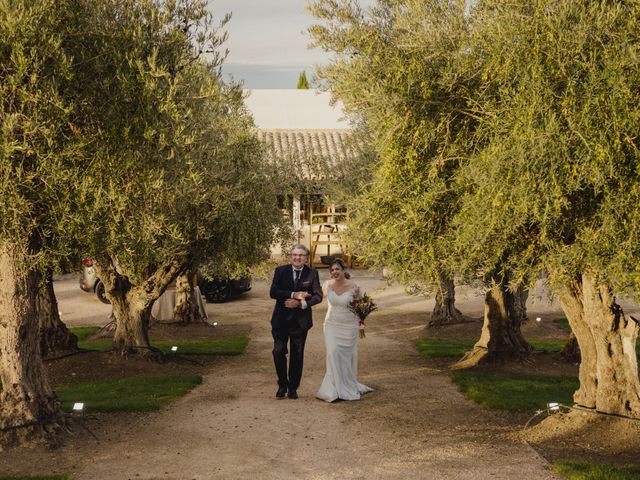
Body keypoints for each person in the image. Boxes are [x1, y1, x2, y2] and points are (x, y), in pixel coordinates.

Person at [270, 244, 323, 399]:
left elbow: (318, 296)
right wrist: (294, 294)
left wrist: (300, 303)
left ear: (306, 258)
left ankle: (293, 388)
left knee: (297, 356)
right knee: (278, 351)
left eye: (301, 255)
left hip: (300, 322)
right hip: (280, 320)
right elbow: (273, 292)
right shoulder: (280, 271)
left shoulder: (312, 273)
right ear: (290, 256)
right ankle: (282, 385)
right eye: (294, 254)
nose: (297, 257)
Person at [316, 258, 373, 402]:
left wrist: (361, 320)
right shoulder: (326, 285)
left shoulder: (354, 287)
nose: (335, 272)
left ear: (344, 271)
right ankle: (333, 389)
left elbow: (361, 306)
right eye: (332, 270)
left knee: (347, 357)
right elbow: (316, 298)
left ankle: (347, 384)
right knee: (333, 352)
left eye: (337, 269)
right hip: (331, 324)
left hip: (349, 326)